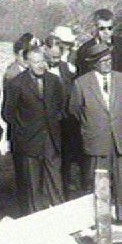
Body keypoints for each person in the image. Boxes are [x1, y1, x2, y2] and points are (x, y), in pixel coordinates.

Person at [70, 43, 122, 227]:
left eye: (109, 60)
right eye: (103, 61)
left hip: (120, 138)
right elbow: (74, 110)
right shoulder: (81, 83)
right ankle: (101, 218)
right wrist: (93, 124)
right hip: (97, 139)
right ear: (94, 64)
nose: (107, 64)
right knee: (99, 180)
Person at [3, 47, 65, 214]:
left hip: (50, 138)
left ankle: (61, 215)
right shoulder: (16, 83)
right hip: (28, 141)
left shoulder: (54, 81)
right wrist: (25, 129)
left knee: (55, 179)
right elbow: (7, 113)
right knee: (32, 182)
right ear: (28, 63)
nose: (40, 65)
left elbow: (60, 106)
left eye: (42, 61)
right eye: (36, 62)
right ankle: (36, 218)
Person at [46, 38, 85, 197]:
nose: (55, 60)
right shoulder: (41, 69)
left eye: (58, 57)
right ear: (46, 51)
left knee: (68, 157)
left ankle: (67, 189)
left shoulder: (66, 69)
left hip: (66, 120)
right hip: (49, 121)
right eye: (52, 57)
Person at [75, 9, 122, 78]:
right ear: (95, 27)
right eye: (102, 28)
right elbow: (82, 75)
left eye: (110, 28)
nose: (106, 32)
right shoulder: (84, 49)